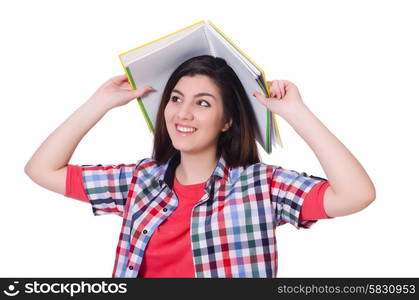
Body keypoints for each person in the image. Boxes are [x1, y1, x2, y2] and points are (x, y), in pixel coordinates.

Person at [24, 55, 376, 278]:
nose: (183, 114)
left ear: (227, 121)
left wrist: (296, 113)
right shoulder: (139, 181)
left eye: (203, 103)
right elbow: (42, 169)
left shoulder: (261, 187)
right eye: (176, 99)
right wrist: (98, 103)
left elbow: (356, 194)